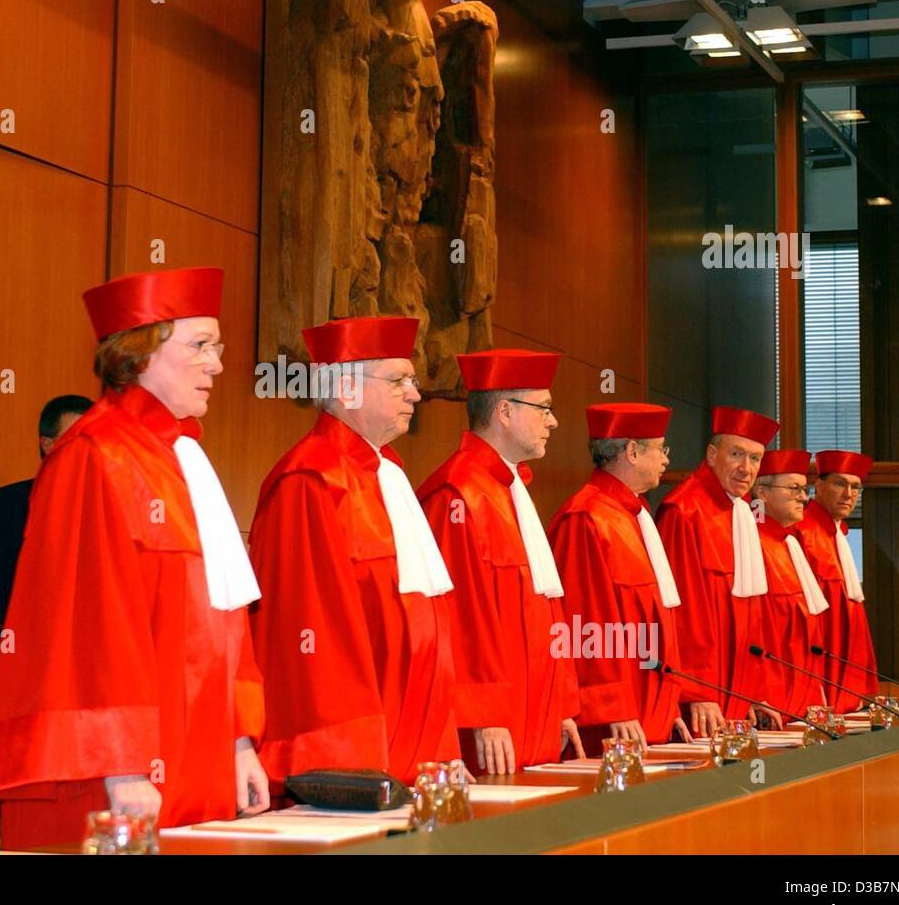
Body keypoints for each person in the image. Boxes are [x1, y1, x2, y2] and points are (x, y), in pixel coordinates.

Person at [0, 267, 268, 848]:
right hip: (120, 776)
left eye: (219, 346)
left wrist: (240, 741)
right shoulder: (93, 455)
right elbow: (85, 627)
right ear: (141, 353)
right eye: (201, 345)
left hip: (196, 755)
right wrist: (123, 766)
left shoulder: (183, 457)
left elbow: (226, 620)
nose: (218, 363)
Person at [248, 316, 459, 789]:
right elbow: (311, 641)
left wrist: (440, 744)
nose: (415, 393)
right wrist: (345, 771)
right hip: (356, 763)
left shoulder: (389, 476)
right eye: (399, 380)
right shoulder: (311, 480)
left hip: (409, 748)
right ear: (346, 388)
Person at [417, 349, 582, 773]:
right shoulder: (457, 493)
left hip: (532, 716)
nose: (554, 421)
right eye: (544, 408)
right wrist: (483, 712)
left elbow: (548, 607)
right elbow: (458, 616)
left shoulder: (511, 490)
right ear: (504, 412)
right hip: (488, 730)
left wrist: (560, 703)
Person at [548, 403, 689, 756]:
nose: (666, 460)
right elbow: (583, 621)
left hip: (645, 710)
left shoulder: (632, 515)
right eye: (661, 449)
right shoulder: (587, 516)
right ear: (631, 451)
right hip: (612, 723)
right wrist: (612, 705)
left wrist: (668, 703)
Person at [656, 406, 781, 734]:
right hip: (699, 700)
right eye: (737, 454)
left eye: (755, 459)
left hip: (733, 692)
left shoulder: (742, 513)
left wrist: (754, 690)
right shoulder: (684, 511)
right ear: (712, 455)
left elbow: (752, 615)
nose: (746, 468)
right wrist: (698, 690)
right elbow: (682, 615)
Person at [0, 394, 92, 648]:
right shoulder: (11, 502)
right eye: (78, 439)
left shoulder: (118, 503)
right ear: (48, 444)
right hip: (29, 643)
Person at [796, 450, 878, 712]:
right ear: (818, 486)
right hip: (820, 663)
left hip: (844, 663)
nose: (849, 494)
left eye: (855, 487)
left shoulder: (839, 532)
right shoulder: (801, 530)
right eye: (840, 484)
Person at [751, 450, 829, 718]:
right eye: (794, 488)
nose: (804, 497)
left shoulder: (789, 543)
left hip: (800, 696)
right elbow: (750, 629)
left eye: (804, 489)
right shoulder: (751, 542)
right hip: (770, 701)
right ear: (762, 491)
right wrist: (754, 694)